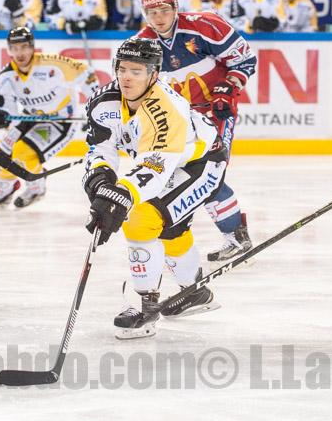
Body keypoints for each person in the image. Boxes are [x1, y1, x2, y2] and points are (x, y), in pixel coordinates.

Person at [83, 37, 229, 339]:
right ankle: (194, 291)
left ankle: (145, 305)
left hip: (202, 164)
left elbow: (155, 167)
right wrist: (100, 181)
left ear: (154, 74)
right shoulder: (104, 103)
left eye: (136, 71)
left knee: (142, 218)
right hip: (166, 166)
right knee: (170, 228)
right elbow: (101, 148)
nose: (126, 77)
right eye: (122, 69)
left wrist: (120, 195)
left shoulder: (167, 108)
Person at [136, 0, 257, 262]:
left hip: (216, 111)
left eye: (164, 10)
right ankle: (183, 238)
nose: (158, 17)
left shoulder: (205, 25)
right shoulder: (142, 45)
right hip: (180, 120)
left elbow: (245, 59)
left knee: (209, 173)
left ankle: (236, 235)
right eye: (152, 12)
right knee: (181, 177)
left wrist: (229, 86)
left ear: (175, 8)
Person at [0, 27, 99, 208]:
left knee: (23, 155)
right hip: (30, 117)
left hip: (60, 121)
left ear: (32, 47)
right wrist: (5, 120)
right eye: (15, 48)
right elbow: (10, 114)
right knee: (3, 154)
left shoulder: (53, 65)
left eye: (24, 47)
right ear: (9, 50)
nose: (20, 53)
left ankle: (36, 188)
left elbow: (86, 73)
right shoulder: (5, 78)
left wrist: (96, 109)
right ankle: (2, 191)